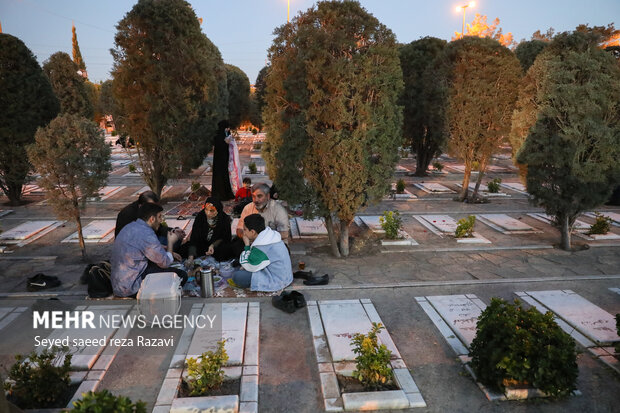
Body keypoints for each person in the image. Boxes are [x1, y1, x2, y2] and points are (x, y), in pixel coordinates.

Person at [111, 203, 187, 298]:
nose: (161, 221)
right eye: (159, 217)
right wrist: (170, 243)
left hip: (119, 284)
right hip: (132, 286)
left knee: (158, 264)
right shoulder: (146, 234)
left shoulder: (130, 227)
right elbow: (165, 263)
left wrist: (167, 249)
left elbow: (145, 247)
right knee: (180, 275)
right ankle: (161, 298)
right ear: (152, 219)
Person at [231, 214, 293, 291]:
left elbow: (250, 266)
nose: (244, 233)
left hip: (277, 280)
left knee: (237, 276)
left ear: (253, 232)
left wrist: (247, 245)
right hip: (285, 276)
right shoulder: (268, 235)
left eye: (245, 230)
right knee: (239, 263)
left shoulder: (262, 246)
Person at [180, 197, 234, 263]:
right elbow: (194, 238)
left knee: (226, 250)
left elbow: (225, 238)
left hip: (217, 246)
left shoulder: (224, 219)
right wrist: (190, 258)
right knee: (183, 249)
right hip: (202, 245)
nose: (208, 213)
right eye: (206, 209)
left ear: (218, 210)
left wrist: (213, 245)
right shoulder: (200, 217)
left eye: (212, 211)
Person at [211, 120, 235, 201]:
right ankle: (220, 195)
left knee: (225, 176)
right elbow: (219, 145)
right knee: (219, 177)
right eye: (226, 127)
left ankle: (227, 194)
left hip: (225, 159)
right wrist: (225, 142)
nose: (228, 129)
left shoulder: (227, 133)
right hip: (219, 160)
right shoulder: (218, 135)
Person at [227, 128, 242, 196]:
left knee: (234, 177)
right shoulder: (227, 139)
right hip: (229, 162)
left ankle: (236, 191)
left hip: (232, 162)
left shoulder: (231, 140)